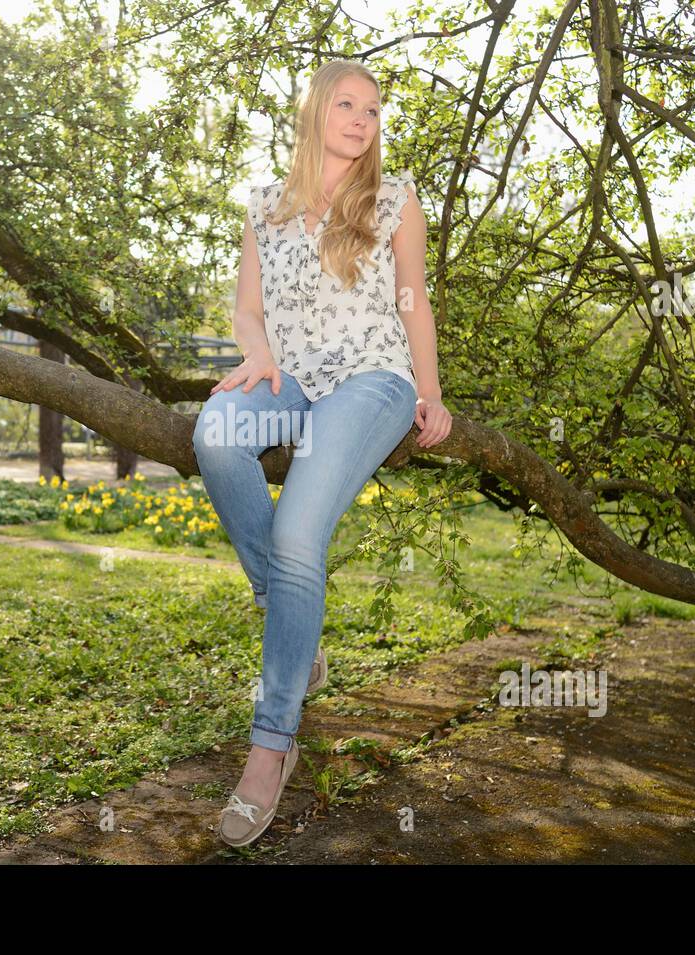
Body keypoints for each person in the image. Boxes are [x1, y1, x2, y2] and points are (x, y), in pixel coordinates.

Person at [191, 59, 452, 847]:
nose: (362, 120)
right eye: (347, 104)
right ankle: (291, 628)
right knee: (215, 433)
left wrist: (430, 394)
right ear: (314, 112)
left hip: (371, 381)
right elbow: (246, 310)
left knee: (301, 533)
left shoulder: (396, 199)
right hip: (292, 377)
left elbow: (415, 304)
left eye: (373, 110)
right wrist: (257, 355)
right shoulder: (265, 207)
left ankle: (270, 745)